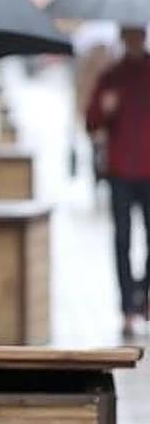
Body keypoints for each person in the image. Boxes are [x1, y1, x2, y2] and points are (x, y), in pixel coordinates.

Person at [86, 26, 150, 336]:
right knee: (122, 241)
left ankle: (144, 296)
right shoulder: (111, 76)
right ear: (124, 38)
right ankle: (127, 307)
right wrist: (104, 108)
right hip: (121, 170)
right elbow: (90, 121)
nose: (135, 40)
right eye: (130, 35)